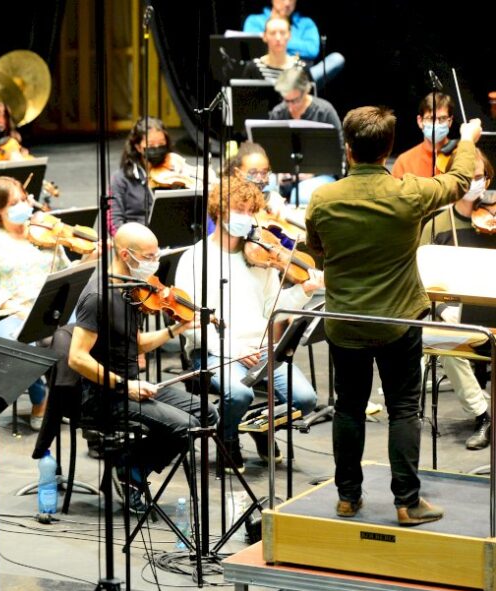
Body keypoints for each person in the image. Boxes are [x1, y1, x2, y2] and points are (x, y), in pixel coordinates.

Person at [305, 105, 482, 525]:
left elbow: (318, 251)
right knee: (404, 408)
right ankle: (407, 502)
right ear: (387, 150)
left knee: (348, 407)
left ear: (348, 149)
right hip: (398, 322)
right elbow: (458, 181)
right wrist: (468, 141)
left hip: (345, 323)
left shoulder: (322, 198)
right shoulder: (409, 192)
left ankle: (348, 497)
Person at [175, 176, 321, 471]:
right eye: (237, 210)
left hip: (260, 350)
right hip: (215, 351)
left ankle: (259, 426)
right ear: (219, 212)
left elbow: (272, 308)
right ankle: (226, 435)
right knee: (239, 393)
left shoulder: (259, 256)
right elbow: (192, 325)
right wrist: (234, 350)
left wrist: (300, 293)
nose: (245, 218)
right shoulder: (195, 258)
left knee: (305, 400)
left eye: (249, 211)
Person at [68, 222, 216, 510]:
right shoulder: (98, 296)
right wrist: (125, 386)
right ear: (125, 255)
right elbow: (77, 357)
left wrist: (175, 331)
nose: (155, 263)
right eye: (149, 257)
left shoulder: (133, 290)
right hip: (104, 395)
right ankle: (132, 471)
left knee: (206, 413)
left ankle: (129, 464)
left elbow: (135, 343)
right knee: (185, 426)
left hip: (134, 386)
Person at [0, 177, 72, 429]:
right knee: (14, 342)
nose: (23, 206)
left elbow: (67, 272)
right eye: (13, 203)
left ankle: (70, 397)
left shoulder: (44, 233)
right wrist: (16, 309)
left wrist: (90, 256)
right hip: (9, 311)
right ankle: (42, 399)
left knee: (78, 331)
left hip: (50, 307)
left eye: (24, 200)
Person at [418, 148, 495, 450]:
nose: (479, 184)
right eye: (472, 177)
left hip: (493, 306)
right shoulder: (436, 225)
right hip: (456, 311)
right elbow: (421, 277)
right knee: (440, 338)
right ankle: (483, 413)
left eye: (483, 178)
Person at [108, 117, 208, 235]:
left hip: (173, 236)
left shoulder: (175, 171)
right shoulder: (120, 178)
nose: (156, 148)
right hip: (139, 241)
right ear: (137, 146)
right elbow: (114, 223)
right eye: (151, 144)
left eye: (161, 144)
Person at [268, 68, 342, 206]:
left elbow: (339, 153)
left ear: (306, 91)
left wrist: (311, 173)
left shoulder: (324, 112)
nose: (290, 107)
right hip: (285, 175)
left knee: (301, 196)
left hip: (320, 174)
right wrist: (280, 171)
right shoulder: (278, 112)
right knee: (261, 187)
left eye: (294, 100)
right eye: (286, 100)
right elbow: (271, 152)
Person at [242, 0, 344, 87]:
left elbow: (312, 50)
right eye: (273, 33)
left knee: (337, 59)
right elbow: (253, 45)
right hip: (265, 73)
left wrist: (277, 41)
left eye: (291, 0)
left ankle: (298, 87)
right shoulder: (254, 20)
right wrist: (296, 44)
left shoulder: (306, 23)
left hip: (299, 75)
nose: (287, 3)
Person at [392, 93, 458, 179]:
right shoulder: (404, 162)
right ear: (420, 121)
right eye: (431, 118)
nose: (436, 124)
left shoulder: (463, 155)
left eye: (442, 118)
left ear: (450, 121)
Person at [241, 14, 308, 84]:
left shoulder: (300, 68)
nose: (278, 38)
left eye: (282, 33)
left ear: (289, 35)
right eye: (273, 33)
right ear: (264, 36)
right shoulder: (254, 67)